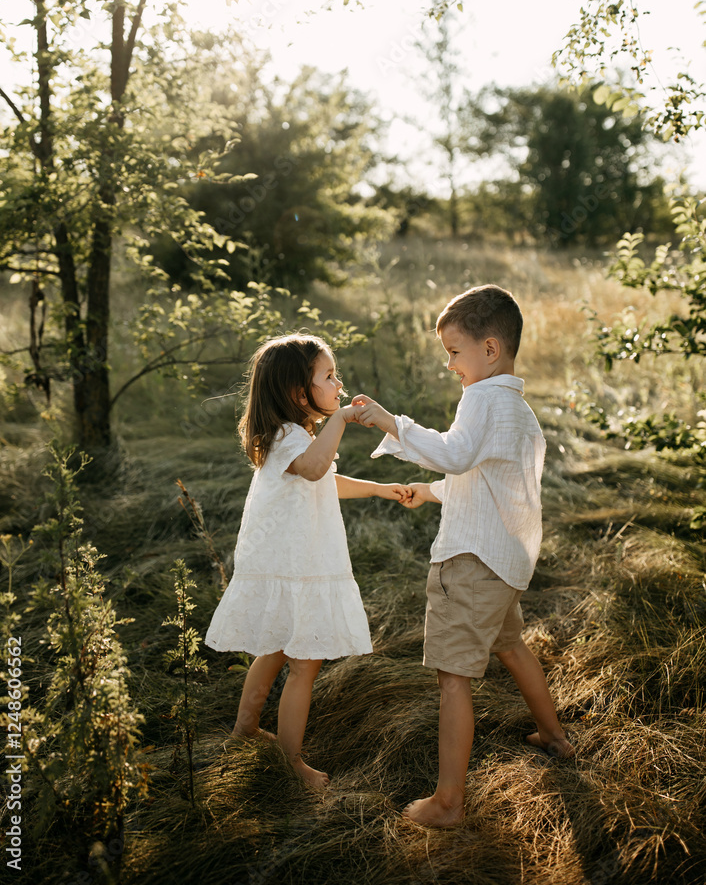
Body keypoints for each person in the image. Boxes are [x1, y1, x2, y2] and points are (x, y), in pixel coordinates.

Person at [352, 284, 575, 828]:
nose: (450, 364)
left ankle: (448, 802)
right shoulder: (519, 411)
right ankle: (554, 736)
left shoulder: (482, 398)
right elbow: (486, 478)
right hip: (505, 562)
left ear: (491, 349)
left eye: (455, 351)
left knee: (453, 676)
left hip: (470, 562)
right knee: (511, 645)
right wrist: (427, 492)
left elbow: (454, 455)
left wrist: (389, 422)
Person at [205, 333, 411, 789]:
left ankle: (244, 728)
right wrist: (340, 418)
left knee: (277, 647)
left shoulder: (295, 436)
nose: (339, 384)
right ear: (300, 393)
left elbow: (325, 480)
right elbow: (316, 469)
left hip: (293, 559)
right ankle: (291, 762)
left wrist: (380, 489)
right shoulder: (285, 437)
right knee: (304, 661)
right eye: (329, 376)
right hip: (292, 563)